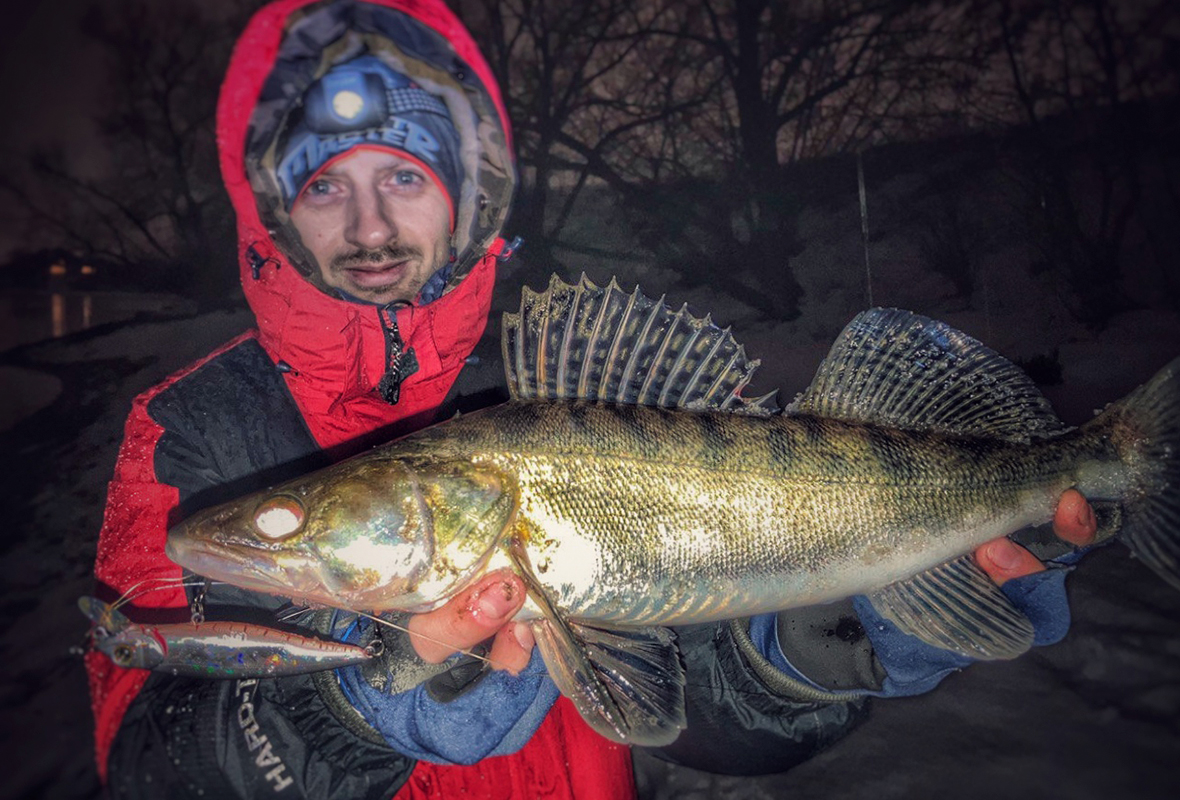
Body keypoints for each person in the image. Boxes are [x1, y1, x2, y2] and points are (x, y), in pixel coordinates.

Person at [84, 0, 1097, 796]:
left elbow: (699, 707)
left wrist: (823, 649)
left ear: (465, 191)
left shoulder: (512, 388)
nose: (368, 223)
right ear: (272, 209)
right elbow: (146, 767)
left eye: (401, 174)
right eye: (323, 186)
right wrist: (344, 717)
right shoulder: (192, 432)